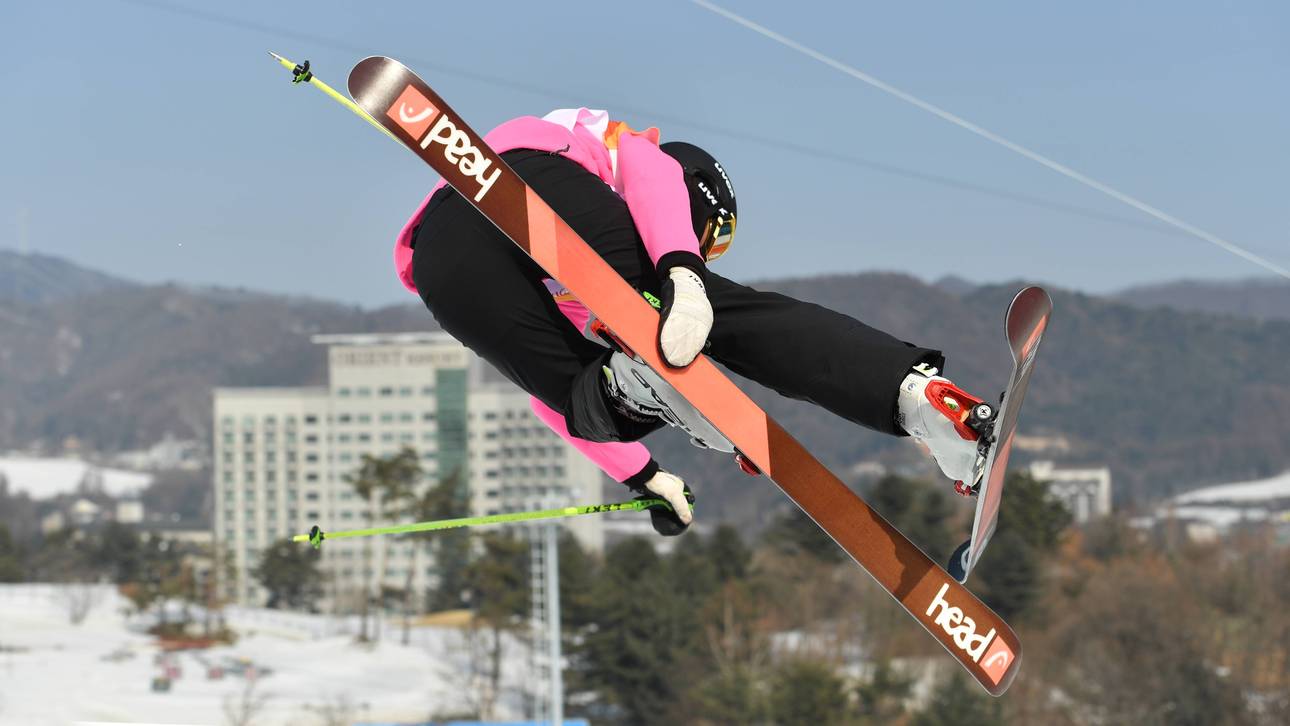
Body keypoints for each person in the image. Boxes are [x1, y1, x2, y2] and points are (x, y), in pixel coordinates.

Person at [398, 108, 989, 535]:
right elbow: (649, 172)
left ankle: (637, 384)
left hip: (441, 262)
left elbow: (546, 402)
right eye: (716, 237)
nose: (710, 250)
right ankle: (916, 398)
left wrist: (646, 477)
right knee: (723, 315)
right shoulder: (622, 151)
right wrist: (683, 267)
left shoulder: (579, 293)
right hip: (524, 176)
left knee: (582, 394)